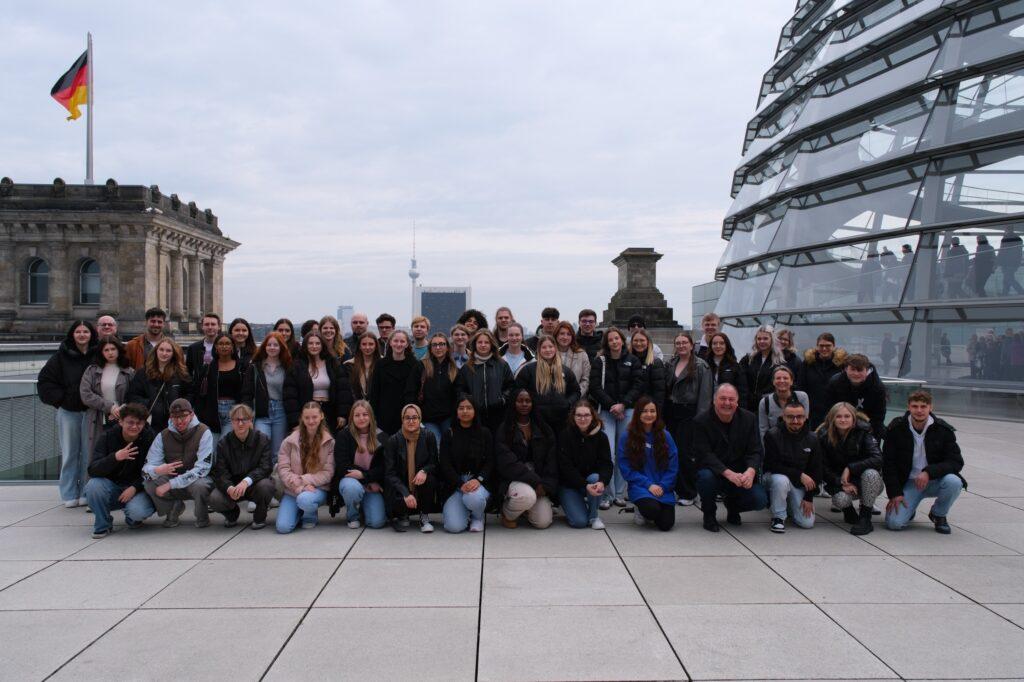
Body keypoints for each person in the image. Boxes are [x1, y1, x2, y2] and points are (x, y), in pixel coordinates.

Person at [883, 391, 966, 534]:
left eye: (923, 406)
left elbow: (956, 462)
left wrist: (929, 472)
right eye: (915, 406)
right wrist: (895, 493)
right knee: (894, 524)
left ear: (931, 407)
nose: (919, 410)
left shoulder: (943, 429)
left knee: (954, 482)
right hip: (909, 482)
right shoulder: (896, 428)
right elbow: (888, 464)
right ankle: (910, 509)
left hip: (936, 480)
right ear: (908, 407)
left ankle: (938, 515)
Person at [38, 320, 98, 507]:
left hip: (91, 411)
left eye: (85, 332)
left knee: (89, 454)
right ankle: (69, 493)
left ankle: (86, 491)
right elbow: (45, 382)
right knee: (70, 453)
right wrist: (62, 400)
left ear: (91, 334)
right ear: (72, 334)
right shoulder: (59, 357)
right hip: (69, 412)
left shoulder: (97, 355)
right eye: (78, 331)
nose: (82, 335)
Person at [694, 384, 768, 532]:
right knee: (705, 477)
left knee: (760, 500)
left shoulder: (749, 418)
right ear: (714, 401)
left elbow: (755, 450)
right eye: (722, 399)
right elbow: (704, 454)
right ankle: (709, 514)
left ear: (737, 402)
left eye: (731, 399)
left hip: (740, 473)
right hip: (715, 472)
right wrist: (727, 473)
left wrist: (750, 471)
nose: (727, 403)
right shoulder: (700, 421)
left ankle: (733, 507)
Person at [587, 326, 642, 508]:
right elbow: (595, 387)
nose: (614, 342)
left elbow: (637, 385)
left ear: (622, 340)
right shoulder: (600, 361)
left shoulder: (633, 360)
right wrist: (612, 405)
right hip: (606, 412)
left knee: (624, 453)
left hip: (628, 410)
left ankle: (619, 493)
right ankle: (607, 495)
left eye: (617, 338)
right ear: (607, 342)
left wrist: (623, 404)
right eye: (610, 340)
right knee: (608, 453)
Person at [83, 402, 157, 537]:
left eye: (139, 423)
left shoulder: (150, 438)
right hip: (113, 488)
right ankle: (103, 524)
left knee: (137, 512)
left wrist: (135, 487)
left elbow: (155, 471)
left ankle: (132, 518)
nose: (134, 426)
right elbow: (92, 470)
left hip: (138, 489)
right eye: (130, 422)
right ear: (121, 421)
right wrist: (115, 457)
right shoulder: (107, 437)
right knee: (93, 486)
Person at [142, 398, 214, 528]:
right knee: (149, 482)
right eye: (175, 417)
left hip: (196, 480)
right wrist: (157, 470)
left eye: (183, 416)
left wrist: (170, 484)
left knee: (201, 485)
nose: (179, 421)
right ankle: (174, 508)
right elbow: (146, 469)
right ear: (170, 417)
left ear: (192, 414)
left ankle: (202, 516)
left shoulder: (204, 432)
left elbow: (203, 468)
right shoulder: (162, 436)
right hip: (173, 478)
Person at [495, 389, 558, 529]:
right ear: (513, 403)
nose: (524, 404)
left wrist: (546, 486)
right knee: (527, 497)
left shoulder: (544, 428)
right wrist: (536, 482)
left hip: (540, 482)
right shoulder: (505, 429)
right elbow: (507, 464)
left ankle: (524, 509)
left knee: (543, 522)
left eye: (528, 401)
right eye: (520, 401)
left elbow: (551, 462)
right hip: (515, 479)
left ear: (533, 403)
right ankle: (507, 513)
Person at [817, 402, 883, 535]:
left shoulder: (864, 431)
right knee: (840, 499)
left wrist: (850, 468)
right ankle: (849, 513)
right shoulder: (822, 436)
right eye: (838, 416)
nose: (843, 420)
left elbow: (878, 458)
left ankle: (865, 518)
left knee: (871, 474)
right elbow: (822, 467)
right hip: (840, 482)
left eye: (847, 416)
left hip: (866, 481)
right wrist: (840, 483)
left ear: (854, 418)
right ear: (832, 418)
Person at [664, 331, 713, 506]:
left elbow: (705, 395)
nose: (681, 346)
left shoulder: (701, 365)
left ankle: (689, 492)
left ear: (692, 345)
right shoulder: (670, 364)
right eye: (678, 343)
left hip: (690, 413)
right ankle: (675, 487)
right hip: (672, 412)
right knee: (671, 452)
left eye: (685, 342)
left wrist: (700, 419)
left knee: (686, 454)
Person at [208, 404, 275, 528]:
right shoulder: (223, 443)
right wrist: (229, 487)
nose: (240, 423)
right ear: (231, 422)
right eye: (236, 420)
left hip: (254, 484)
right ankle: (232, 514)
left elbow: (266, 467)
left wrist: (246, 481)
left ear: (251, 420)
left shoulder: (262, 439)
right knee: (214, 498)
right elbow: (220, 472)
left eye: (244, 419)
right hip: (233, 487)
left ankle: (260, 517)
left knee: (267, 486)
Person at [618, 397, 679, 531]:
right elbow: (625, 467)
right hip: (641, 486)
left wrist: (663, 485)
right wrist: (648, 485)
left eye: (652, 411)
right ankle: (640, 509)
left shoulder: (665, 436)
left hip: (663, 487)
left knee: (666, 525)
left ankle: (656, 507)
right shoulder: (627, 436)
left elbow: (673, 466)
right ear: (638, 413)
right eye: (645, 411)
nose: (649, 414)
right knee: (651, 510)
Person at [276, 401, 335, 533]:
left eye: (314, 417)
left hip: (316, 489)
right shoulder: (289, 441)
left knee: (305, 500)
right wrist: (300, 486)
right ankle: (299, 512)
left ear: (321, 416)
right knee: (283, 527)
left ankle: (309, 515)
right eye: (307, 417)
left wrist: (303, 480)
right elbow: (283, 469)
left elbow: (328, 473)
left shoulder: (329, 442)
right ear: (302, 418)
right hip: (293, 488)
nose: (311, 421)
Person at [764, 400, 822, 533]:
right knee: (781, 480)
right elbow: (771, 464)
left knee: (807, 523)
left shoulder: (813, 438)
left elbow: (816, 471)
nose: (795, 420)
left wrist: (809, 497)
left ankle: (789, 505)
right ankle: (778, 517)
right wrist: (799, 475)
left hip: (799, 483)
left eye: (799, 417)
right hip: (776, 477)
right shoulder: (772, 435)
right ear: (783, 417)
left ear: (805, 417)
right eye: (790, 417)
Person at [439, 396, 494, 533]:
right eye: (461, 408)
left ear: (475, 411)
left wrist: (479, 479)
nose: (465, 411)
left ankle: (477, 517)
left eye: (469, 408)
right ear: (456, 412)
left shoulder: (484, 433)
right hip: (457, 485)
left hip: (478, 483)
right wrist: (459, 483)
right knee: (454, 527)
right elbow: (445, 464)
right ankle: (464, 514)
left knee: (473, 498)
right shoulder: (449, 434)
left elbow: (490, 461)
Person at [331, 400, 388, 529]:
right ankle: (353, 515)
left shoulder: (382, 437)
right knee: (352, 489)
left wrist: (365, 475)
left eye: (365, 414)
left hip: (372, 483)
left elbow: (384, 467)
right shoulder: (344, 435)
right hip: (350, 480)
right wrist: (364, 477)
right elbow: (342, 465)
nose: (361, 418)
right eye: (357, 415)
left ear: (371, 416)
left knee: (376, 523)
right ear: (352, 417)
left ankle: (363, 506)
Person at [383, 403, 439, 532]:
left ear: (420, 419)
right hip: (402, 487)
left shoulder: (429, 436)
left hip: (420, 485)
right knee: (395, 489)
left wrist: (424, 471)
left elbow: (434, 463)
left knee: (429, 480)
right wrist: (405, 493)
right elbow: (390, 473)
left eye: (415, 417)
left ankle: (424, 515)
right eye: (407, 418)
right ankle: (403, 514)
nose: (411, 421)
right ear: (402, 419)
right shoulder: (393, 440)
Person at [558, 401, 612, 529]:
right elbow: (565, 467)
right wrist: (584, 485)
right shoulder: (565, 436)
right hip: (569, 484)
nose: (583, 418)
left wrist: (602, 481)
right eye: (579, 415)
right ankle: (578, 505)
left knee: (595, 478)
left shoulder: (601, 437)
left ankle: (594, 516)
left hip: (591, 481)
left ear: (593, 416)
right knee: (579, 522)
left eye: (586, 415)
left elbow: (606, 464)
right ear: (573, 416)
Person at [285, 331, 352, 432]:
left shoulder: (332, 363)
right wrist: (295, 421)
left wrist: (342, 414)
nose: (314, 346)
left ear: (322, 345)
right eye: (310, 343)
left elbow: (342, 390)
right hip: (307, 413)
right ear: (305, 345)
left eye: (317, 343)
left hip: (329, 412)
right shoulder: (297, 366)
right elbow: (290, 396)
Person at [515, 335, 581, 437]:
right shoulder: (529, 370)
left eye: (550, 347)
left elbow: (576, 392)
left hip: (561, 420)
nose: (548, 350)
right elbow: (518, 391)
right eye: (544, 347)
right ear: (539, 350)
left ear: (555, 348)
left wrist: (567, 403)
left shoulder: (566, 371)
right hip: (537, 420)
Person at [79, 334, 134, 457]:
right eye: (106, 350)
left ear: (119, 350)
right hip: (97, 419)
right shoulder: (92, 370)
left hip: (122, 419)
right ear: (101, 352)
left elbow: (133, 395)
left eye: (113, 349)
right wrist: (110, 407)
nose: (110, 353)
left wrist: (121, 410)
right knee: (95, 455)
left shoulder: (128, 371)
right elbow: (86, 394)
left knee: (120, 455)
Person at [242, 331, 293, 462]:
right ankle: (261, 479)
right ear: (264, 347)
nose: (272, 347)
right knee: (261, 446)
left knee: (278, 450)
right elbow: (247, 393)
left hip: (281, 411)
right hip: (262, 412)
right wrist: (248, 414)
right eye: (269, 344)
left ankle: (274, 480)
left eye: (275, 345)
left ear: (281, 347)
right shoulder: (255, 367)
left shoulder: (288, 367)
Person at [126, 338, 191, 434]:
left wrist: (180, 408)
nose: (164, 353)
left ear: (174, 353)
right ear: (156, 351)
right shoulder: (143, 372)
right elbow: (132, 396)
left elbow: (189, 394)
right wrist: (150, 403)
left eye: (168, 350)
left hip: (175, 421)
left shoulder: (181, 373)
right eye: (161, 350)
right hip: (151, 421)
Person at [457, 329, 515, 432]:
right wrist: (470, 403)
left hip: (498, 416)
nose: (483, 345)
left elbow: (511, 386)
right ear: (475, 345)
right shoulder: (467, 368)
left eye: (486, 342)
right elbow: (460, 390)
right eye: (480, 342)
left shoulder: (502, 365)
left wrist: (502, 399)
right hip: (474, 417)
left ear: (491, 344)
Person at [194, 332, 246, 444]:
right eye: (221, 343)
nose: (224, 346)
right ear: (216, 347)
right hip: (212, 411)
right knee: (211, 449)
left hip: (233, 411)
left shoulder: (241, 367)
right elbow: (198, 393)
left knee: (224, 445)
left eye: (228, 343)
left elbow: (245, 391)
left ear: (233, 347)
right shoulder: (207, 368)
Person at [824, 353, 887, 442]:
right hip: (839, 427)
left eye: (860, 370)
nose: (856, 373)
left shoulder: (877, 387)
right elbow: (829, 409)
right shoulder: (835, 383)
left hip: (868, 429)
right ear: (846, 369)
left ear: (867, 370)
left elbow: (878, 416)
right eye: (852, 369)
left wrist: (871, 437)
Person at [410, 332, 459, 446]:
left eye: (441, 344)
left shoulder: (453, 368)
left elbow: (459, 393)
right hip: (428, 419)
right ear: (430, 348)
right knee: (436, 446)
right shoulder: (421, 366)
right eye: (434, 345)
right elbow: (411, 391)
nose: (438, 347)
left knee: (450, 447)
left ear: (447, 347)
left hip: (448, 418)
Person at [369, 330, 418, 435]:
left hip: (406, 413)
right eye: (395, 341)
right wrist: (373, 416)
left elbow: (416, 391)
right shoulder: (380, 364)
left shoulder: (414, 365)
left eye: (402, 341)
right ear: (390, 342)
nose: (399, 344)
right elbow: (375, 391)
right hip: (384, 414)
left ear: (407, 344)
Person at [799, 333, 847, 429]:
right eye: (821, 346)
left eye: (828, 346)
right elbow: (801, 386)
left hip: (834, 411)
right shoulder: (808, 363)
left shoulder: (841, 365)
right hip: (811, 411)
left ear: (833, 346)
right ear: (817, 346)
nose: (824, 349)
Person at [739, 325, 786, 411]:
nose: (762, 341)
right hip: (747, 405)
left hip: (768, 406)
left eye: (765, 338)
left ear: (772, 340)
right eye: (759, 339)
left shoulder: (780, 362)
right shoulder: (748, 359)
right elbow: (741, 382)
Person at [757, 365, 810, 440]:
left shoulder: (802, 397)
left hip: (798, 441)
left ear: (791, 381)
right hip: (775, 444)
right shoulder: (765, 402)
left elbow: (805, 423)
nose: (782, 381)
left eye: (785, 378)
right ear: (773, 382)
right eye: (778, 378)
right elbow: (763, 430)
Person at [706, 332, 748, 406]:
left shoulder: (735, 366)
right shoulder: (705, 365)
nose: (718, 346)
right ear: (711, 346)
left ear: (727, 346)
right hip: (709, 408)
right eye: (715, 343)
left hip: (728, 407)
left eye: (722, 343)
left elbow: (742, 392)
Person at [630, 328, 667, 412]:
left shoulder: (655, 363)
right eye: (635, 340)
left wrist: (656, 412)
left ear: (648, 342)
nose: (638, 343)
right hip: (630, 408)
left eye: (642, 340)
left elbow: (659, 393)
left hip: (647, 410)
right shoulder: (627, 362)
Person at [554, 321, 590, 397]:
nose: (565, 337)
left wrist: (575, 396)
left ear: (572, 337)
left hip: (576, 399)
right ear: (556, 335)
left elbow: (585, 380)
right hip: (553, 399)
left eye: (568, 334)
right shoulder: (549, 353)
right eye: (562, 334)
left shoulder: (582, 355)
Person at [185, 313, 222, 389]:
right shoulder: (193, 348)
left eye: (213, 324)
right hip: (199, 392)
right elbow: (188, 372)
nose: (210, 327)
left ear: (219, 327)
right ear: (202, 327)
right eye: (207, 324)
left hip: (220, 389)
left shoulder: (225, 347)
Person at [346, 331, 379, 402]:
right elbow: (349, 390)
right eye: (364, 344)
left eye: (371, 344)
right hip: (356, 406)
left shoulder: (383, 364)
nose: (367, 347)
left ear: (376, 346)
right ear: (359, 346)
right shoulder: (349, 365)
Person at [997, 227, 1023, 295]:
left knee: (1009, 278)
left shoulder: (1005, 238)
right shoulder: (1018, 238)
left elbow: (1001, 251)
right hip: (1014, 262)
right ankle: (1004, 293)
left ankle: (1021, 292)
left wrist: (997, 262)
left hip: (1006, 262)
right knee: (1007, 278)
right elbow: (1019, 252)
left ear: (1006, 230)